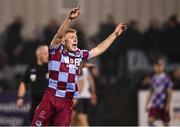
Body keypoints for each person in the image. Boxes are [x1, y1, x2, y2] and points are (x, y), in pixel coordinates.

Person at [31, 6, 126, 126]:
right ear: (64, 42)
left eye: (76, 38)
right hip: (51, 97)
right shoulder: (56, 50)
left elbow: (99, 49)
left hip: (67, 102)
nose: (75, 39)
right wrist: (69, 19)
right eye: (71, 37)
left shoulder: (80, 54)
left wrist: (115, 34)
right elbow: (59, 35)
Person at [16, 45, 49, 122]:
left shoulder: (51, 66)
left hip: (49, 104)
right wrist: (20, 98)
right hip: (35, 104)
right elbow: (23, 82)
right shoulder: (31, 67)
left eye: (48, 53)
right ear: (39, 55)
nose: (48, 55)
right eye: (45, 53)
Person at [145, 57, 173, 126]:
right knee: (150, 122)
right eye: (157, 66)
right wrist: (147, 103)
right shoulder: (153, 78)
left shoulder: (167, 78)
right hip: (155, 104)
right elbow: (151, 92)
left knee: (166, 124)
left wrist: (168, 104)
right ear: (154, 67)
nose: (158, 67)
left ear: (163, 67)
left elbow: (170, 93)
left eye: (160, 66)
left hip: (163, 104)